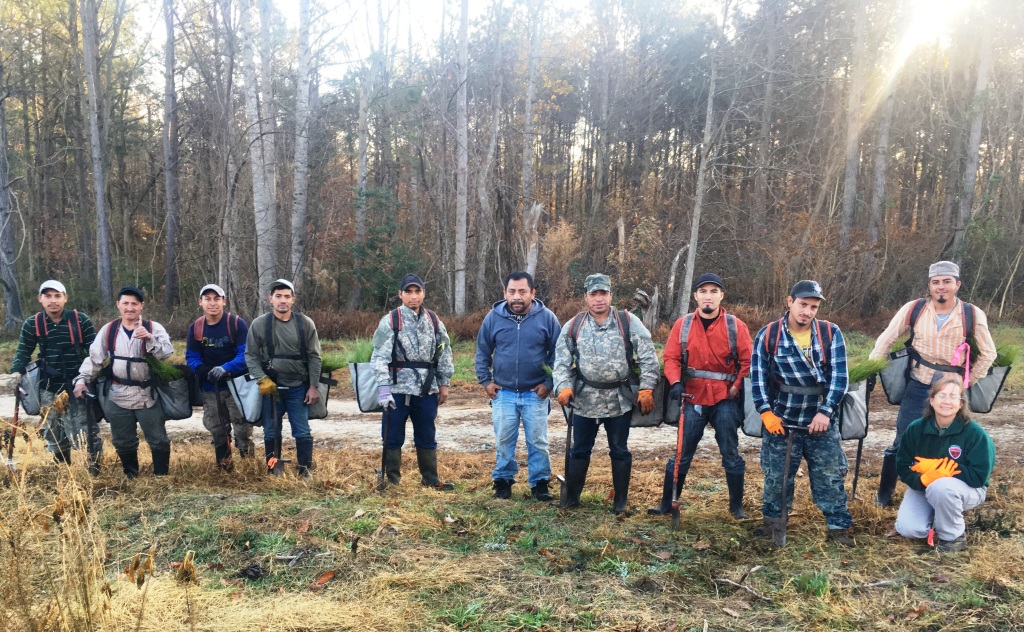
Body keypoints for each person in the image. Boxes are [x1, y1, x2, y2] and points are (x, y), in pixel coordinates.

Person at [869, 261, 997, 507]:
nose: (941, 287)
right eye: (936, 282)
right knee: (903, 437)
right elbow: (886, 339)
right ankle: (884, 495)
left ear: (957, 285)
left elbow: (988, 353)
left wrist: (965, 382)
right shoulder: (914, 309)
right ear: (929, 285)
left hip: (952, 389)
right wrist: (873, 369)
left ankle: (951, 487)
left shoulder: (972, 313)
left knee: (954, 438)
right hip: (919, 384)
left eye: (947, 282)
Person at [750, 280, 853, 546]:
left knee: (829, 475)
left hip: (820, 421)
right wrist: (766, 413)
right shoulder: (768, 335)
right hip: (781, 421)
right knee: (776, 478)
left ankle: (838, 527)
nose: (807, 311)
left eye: (813, 307)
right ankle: (774, 525)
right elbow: (758, 379)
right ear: (789, 302)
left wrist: (826, 411)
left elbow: (839, 378)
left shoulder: (831, 333)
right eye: (803, 304)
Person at [552, 273, 659, 514]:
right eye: (593, 294)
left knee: (619, 449)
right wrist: (563, 386)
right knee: (579, 449)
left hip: (619, 400)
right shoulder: (574, 325)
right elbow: (560, 361)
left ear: (611, 295)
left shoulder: (628, 321)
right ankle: (571, 498)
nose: (599, 299)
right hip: (584, 400)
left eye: (603, 293)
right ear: (586, 297)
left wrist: (647, 387)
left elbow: (648, 356)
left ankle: (620, 502)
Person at [648, 273, 753, 519]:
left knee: (730, 452)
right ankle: (667, 503)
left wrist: (737, 385)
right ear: (695, 296)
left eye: (713, 291)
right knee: (682, 453)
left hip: (725, 399)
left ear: (721, 296)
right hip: (692, 398)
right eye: (703, 291)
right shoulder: (682, 325)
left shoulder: (736, 326)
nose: (708, 296)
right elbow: (671, 358)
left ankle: (736, 507)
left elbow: (748, 361)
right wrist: (674, 382)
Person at [475, 271, 562, 501]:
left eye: (522, 292)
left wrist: (549, 383)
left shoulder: (547, 318)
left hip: (536, 393)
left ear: (532, 293)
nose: (517, 297)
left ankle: (540, 483)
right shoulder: (493, 318)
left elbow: (558, 354)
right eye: (512, 292)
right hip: (503, 393)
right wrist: (485, 381)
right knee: (504, 439)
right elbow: (482, 351)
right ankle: (503, 482)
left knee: (538, 441)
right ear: (505, 293)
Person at [73, 287, 174, 478]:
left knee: (158, 439)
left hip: (147, 395)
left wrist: (149, 338)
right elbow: (95, 359)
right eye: (125, 303)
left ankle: (161, 477)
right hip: (117, 394)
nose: (130, 308)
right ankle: (131, 476)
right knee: (122, 441)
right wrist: (81, 380)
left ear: (141, 306)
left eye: (134, 304)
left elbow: (167, 353)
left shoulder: (154, 327)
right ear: (118, 305)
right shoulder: (109, 330)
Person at [370, 274, 456, 490]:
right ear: (400, 294)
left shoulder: (434, 321)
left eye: (417, 291)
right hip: (396, 391)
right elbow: (379, 357)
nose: (413, 296)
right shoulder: (391, 320)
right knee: (392, 437)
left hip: (426, 391)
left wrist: (443, 383)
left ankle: (431, 480)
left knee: (427, 436)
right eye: (408, 292)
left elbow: (444, 351)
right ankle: (391, 481)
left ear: (423, 294)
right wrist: (383, 389)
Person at [894, 377, 995, 553]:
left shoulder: (975, 433)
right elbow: (902, 465)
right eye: (941, 396)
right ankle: (936, 518)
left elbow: (979, 476)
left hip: (968, 489)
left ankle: (953, 537)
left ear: (961, 403)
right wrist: (922, 479)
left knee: (941, 488)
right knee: (909, 529)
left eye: (953, 396)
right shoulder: (916, 428)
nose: (947, 401)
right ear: (932, 401)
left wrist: (941, 468)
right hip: (925, 487)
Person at [11, 280, 99, 473]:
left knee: (86, 430)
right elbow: (23, 352)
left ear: (65, 298)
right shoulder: (33, 323)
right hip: (48, 387)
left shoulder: (80, 320)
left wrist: (87, 378)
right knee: (52, 432)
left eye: (57, 296)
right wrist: (16, 372)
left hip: (78, 385)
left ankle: (94, 471)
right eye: (48, 296)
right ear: (40, 299)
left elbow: (96, 353)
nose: (53, 301)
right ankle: (64, 471)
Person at [245, 279, 322, 477]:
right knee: (270, 432)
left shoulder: (305, 323)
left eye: (287, 296)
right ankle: (273, 470)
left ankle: (305, 471)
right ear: (270, 299)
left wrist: (314, 386)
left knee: (302, 431)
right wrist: (262, 379)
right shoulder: (260, 324)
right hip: (272, 388)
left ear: (293, 299)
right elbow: (251, 356)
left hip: (299, 387)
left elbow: (315, 356)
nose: (283, 300)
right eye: (278, 296)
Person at [186, 283, 253, 471]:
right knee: (218, 430)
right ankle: (225, 469)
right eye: (207, 299)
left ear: (224, 301)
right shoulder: (196, 328)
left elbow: (245, 354)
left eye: (217, 299)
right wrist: (202, 369)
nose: (212, 303)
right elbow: (191, 356)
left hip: (236, 387)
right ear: (200, 302)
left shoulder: (236, 324)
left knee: (242, 429)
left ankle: (249, 469)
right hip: (210, 389)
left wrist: (226, 368)